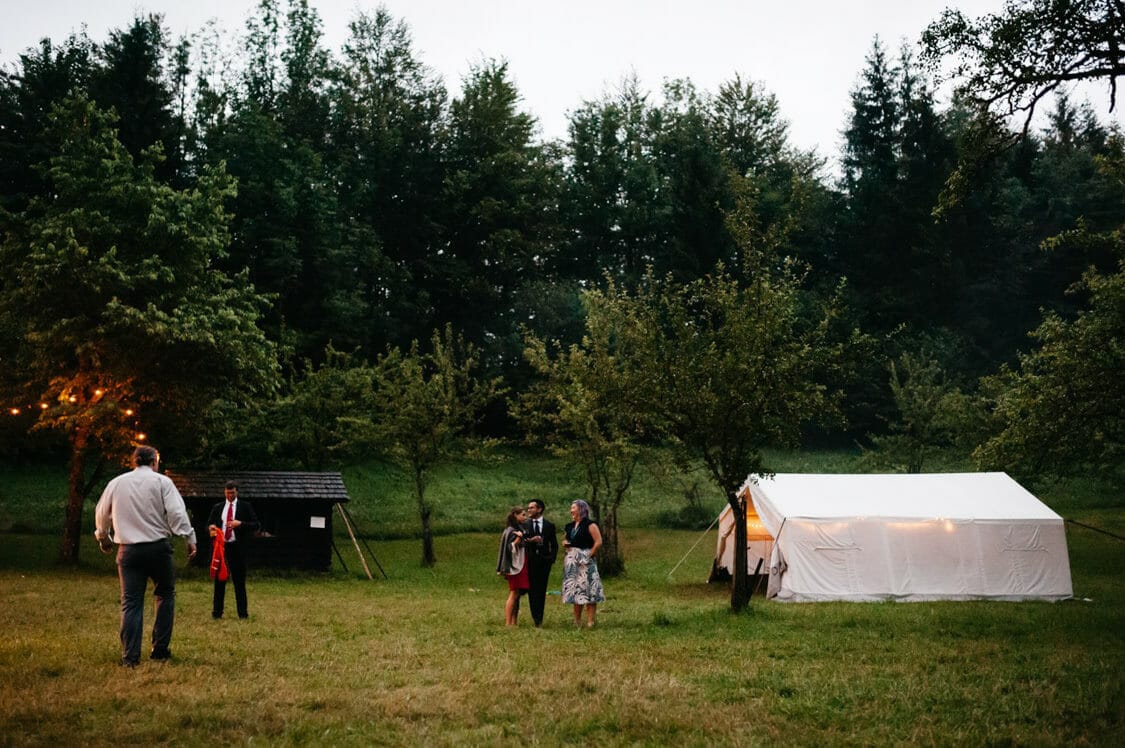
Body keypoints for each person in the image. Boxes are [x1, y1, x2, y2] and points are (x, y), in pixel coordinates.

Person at [94, 445, 197, 667]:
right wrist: (189, 538)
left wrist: (104, 539)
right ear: (155, 461)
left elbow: (102, 513)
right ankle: (159, 649)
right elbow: (177, 513)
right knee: (165, 595)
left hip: (128, 550)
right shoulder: (162, 482)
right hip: (158, 548)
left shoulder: (117, 483)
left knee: (131, 603)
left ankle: (130, 657)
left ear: (134, 462)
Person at [207, 480, 260, 620]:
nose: (230, 495)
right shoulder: (218, 507)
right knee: (219, 581)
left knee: (239, 581)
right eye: (228, 492)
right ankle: (217, 613)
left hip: (238, 547)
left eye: (232, 492)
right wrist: (211, 529)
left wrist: (240, 524)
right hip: (221, 548)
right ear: (224, 492)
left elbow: (256, 524)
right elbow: (209, 524)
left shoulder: (245, 507)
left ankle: (242, 614)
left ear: (237, 492)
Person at [562, 499, 605, 628]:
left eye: (573, 507)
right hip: (572, 560)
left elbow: (598, 541)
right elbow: (566, 539)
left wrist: (589, 554)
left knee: (589, 589)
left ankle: (590, 621)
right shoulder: (569, 526)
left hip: (586, 559)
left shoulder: (590, 525)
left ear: (581, 509)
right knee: (576, 590)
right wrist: (565, 544)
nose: (571, 510)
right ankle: (576, 621)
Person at [521, 499, 558, 627]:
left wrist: (551, 559)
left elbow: (554, 545)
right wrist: (531, 541)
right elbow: (521, 542)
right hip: (529, 561)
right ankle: (535, 617)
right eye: (528, 508)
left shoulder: (549, 525)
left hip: (544, 562)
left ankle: (540, 618)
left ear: (539, 509)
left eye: (532, 508)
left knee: (541, 590)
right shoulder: (525, 524)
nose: (529, 510)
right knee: (531, 590)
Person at [496, 506, 529, 626]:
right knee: (513, 592)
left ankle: (514, 621)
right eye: (523, 515)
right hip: (515, 566)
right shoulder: (511, 530)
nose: (525, 517)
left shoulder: (519, 528)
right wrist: (518, 538)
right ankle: (508, 622)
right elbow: (509, 548)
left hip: (521, 563)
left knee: (518, 593)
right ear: (516, 515)